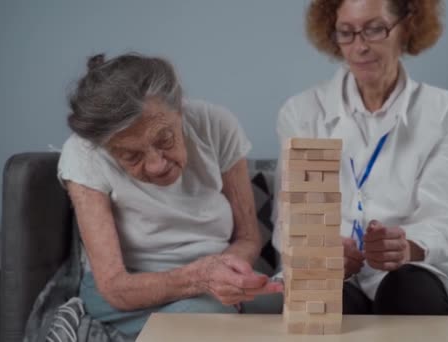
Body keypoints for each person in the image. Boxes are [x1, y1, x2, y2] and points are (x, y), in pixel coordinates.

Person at [272, 0, 448, 316]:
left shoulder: (445, 110)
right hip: (335, 270)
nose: (360, 47)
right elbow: (292, 218)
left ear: (406, 27)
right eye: (346, 33)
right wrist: (322, 252)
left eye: (374, 29)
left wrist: (407, 247)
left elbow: (446, 214)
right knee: (323, 301)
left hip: (414, 270)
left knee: (406, 291)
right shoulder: (301, 113)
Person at [58, 53, 282, 336]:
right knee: (209, 317)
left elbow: (248, 237)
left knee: (295, 302)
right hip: (133, 292)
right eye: (130, 155)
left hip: (216, 279)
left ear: (180, 109)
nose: (156, 165)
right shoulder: (83, 153)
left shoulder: (215, 124)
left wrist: (227, 273)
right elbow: (114, 286)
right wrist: (200, 279)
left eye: (164, 139)